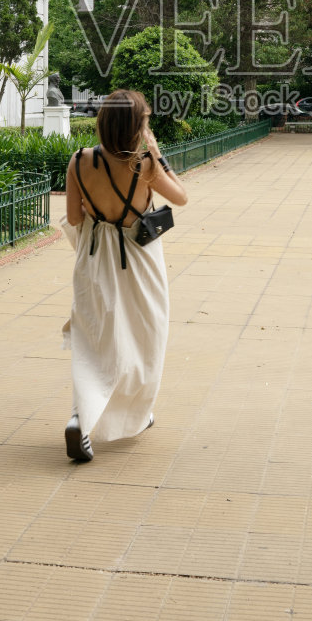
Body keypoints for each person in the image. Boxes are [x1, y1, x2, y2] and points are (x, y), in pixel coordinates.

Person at [61, 89, 188, 463]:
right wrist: (158, 154)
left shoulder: (79, 161)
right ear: (136, 126)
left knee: (95, 340)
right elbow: (180, 197)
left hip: (94, 260)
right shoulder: (145, 164)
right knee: (145, 338)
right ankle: (138, 412)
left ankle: (79, 420)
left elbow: (73, 219)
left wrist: (96, 203)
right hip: (141, 262)